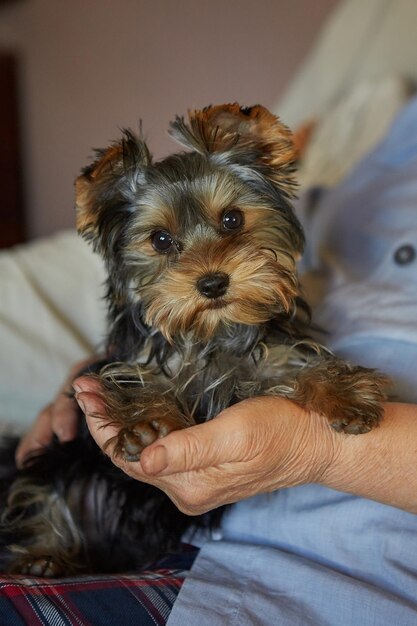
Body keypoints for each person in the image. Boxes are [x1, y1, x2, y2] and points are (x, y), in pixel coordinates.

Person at [14, 94, 417, 624]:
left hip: (311, 566)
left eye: (229, 223)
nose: (209, 267)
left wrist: (318, 445)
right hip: (174, 541)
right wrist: (94, 376)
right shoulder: (383, 142)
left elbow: (297, 371)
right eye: (163, 240)